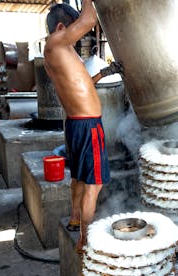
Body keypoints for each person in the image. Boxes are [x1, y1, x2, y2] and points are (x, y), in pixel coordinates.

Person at [44, 0, 112, 253]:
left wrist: (103, 74)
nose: (78, 35)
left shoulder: (59, 51)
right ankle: (85, 242)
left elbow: (80, 85)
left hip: (76, 124)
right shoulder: (57, 42)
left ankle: (75, 217)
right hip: (88, 126)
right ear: (61, 27)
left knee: (79, 178)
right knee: (94, 185)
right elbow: (89, 20)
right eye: (73, 30)